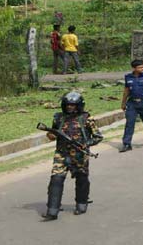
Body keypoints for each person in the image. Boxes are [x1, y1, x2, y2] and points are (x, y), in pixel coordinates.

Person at [42, 92, 103, 220]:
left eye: (73, 105)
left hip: (80, 155)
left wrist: (85, 144)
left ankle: (81, 204)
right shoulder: (58, 118)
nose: (70, 107)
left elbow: (98, 137)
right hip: (61, 153)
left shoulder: (86, 119)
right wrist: (51, 135)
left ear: (79, 106)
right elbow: (52, 134)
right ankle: (52, 210)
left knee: (81, 178)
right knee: (56, 179)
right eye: (68, 105)